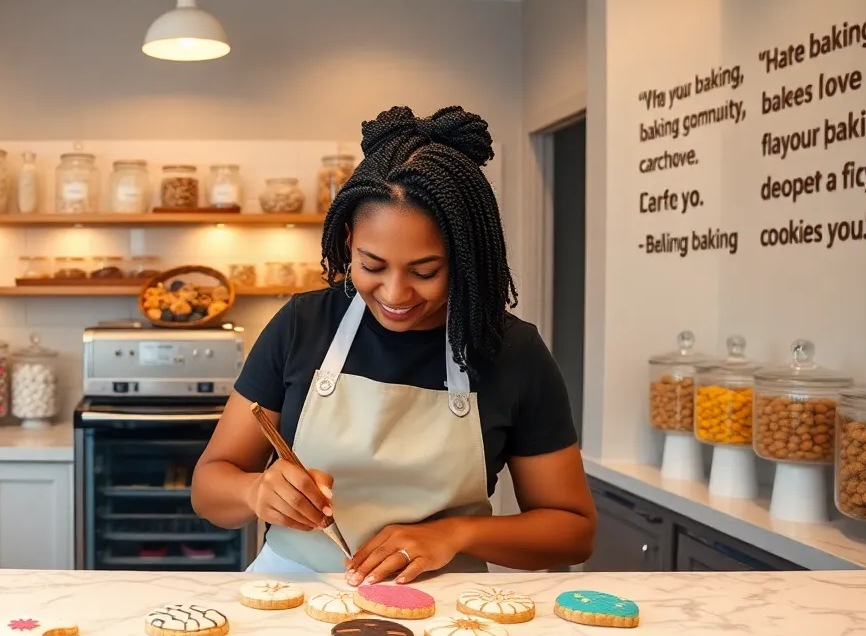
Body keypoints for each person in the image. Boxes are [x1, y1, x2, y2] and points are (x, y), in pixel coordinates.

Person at [191, 106, 595, 584]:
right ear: (347, 241)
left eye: (425, 272)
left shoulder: (512, 350)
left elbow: (572, 532)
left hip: (447, 608)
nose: (396, 294)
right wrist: (256, 490)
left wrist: (455, 535)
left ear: (465, 258)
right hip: (295, 595)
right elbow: (209, 488)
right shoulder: (303, 325)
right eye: (372, 265)